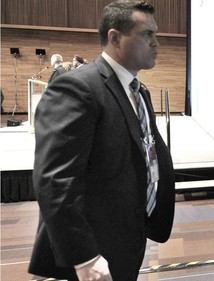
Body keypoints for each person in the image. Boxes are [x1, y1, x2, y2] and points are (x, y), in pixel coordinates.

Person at [28, 1, 175, 281]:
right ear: (115, 37)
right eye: (147, 34)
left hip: (129, 236)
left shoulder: (138, 92)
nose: (156, 43)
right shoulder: (78, 87)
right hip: (92, 252)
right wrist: (84, 257)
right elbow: (54, 181)